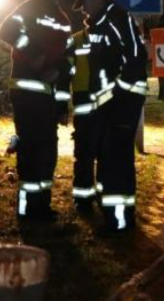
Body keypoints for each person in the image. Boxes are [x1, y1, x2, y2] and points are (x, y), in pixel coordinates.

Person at [0, 0, 72, 220]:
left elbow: (65, 65)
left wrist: (62, 107)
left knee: (47, 151)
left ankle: (42, 207)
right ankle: (26, 210)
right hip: (27, 93)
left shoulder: (62, 18)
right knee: (30, 150)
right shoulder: (28, 9)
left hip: (48, 98)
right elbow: (6, 31)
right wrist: (36, 57)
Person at [73, 0, 148, 232]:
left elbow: (136, 58)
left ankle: (119, 222)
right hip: (110, 103)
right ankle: (112, 216)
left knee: (116, 160)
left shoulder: (117, 18)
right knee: (107, 157)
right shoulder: (101, 22)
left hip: (123, 102)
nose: (84, 11)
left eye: (84, 4)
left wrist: (116, 92)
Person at [68, 16, 100, 214]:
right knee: (85, 153)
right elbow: (66, 72)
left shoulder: (110, 39)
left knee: (96, 152)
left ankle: (88, 198)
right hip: (85, 99)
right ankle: (83, 198)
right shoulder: (75, 40)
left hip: (103, 100)